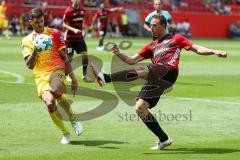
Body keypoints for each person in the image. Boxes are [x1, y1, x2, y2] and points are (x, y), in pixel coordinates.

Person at [91, 14, 227, 150]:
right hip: (155, 74)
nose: (151, 28)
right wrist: (118, 53)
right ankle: (164, 139)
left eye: (154, 25)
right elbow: (131, 60)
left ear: (163, 25)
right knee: (140, 108)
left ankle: (106, 77)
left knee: (144, 70)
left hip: (169, 71)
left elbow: (196, 48)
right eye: (150, 25)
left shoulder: (176, 38)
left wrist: (214, 51)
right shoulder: (151, 45)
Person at [21, 8, 83, 144]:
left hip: (57, 70)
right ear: (30, 22)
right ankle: (64, 133)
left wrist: (73, 77)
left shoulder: (54, 33)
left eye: (42, 21)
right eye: (37, 22)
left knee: (55, 91)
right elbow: (29, 65)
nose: (40, 24)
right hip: (40, 76)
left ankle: (73, 119)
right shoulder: (26, 41)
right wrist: (36, 50)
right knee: (49, 103)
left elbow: (64, 57)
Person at [62, 0, 92, 82]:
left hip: (79, 38)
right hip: (70, 38)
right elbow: (64, 24)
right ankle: (66, 75)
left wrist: (85, 30)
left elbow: (82, 22)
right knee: (69, 58)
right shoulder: (68, 11)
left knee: (85, 55)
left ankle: (85, 75)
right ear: (72, 0)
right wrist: (74, 29)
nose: (76, 1)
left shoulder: (82, 10)